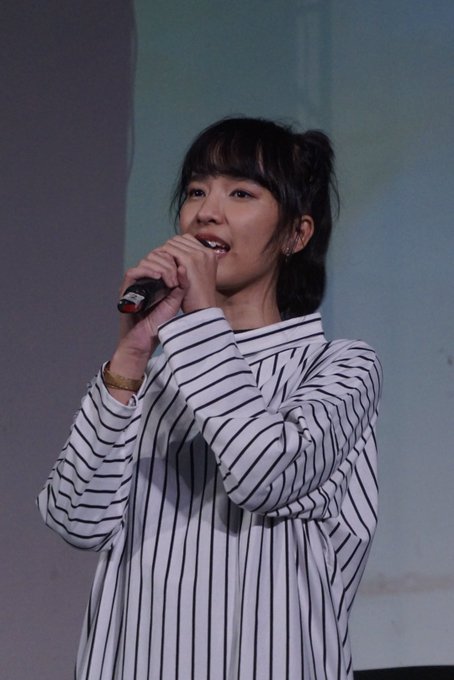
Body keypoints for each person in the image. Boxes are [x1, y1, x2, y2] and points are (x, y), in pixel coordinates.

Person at [38, 117, 382, 680]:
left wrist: (198, 323)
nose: (206, 212)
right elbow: (74, 519)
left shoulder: (339, 368)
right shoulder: (149, 378)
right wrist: (129, 358)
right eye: (197, 191)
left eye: (240, 193)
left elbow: (263, 474)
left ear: (296, 235)